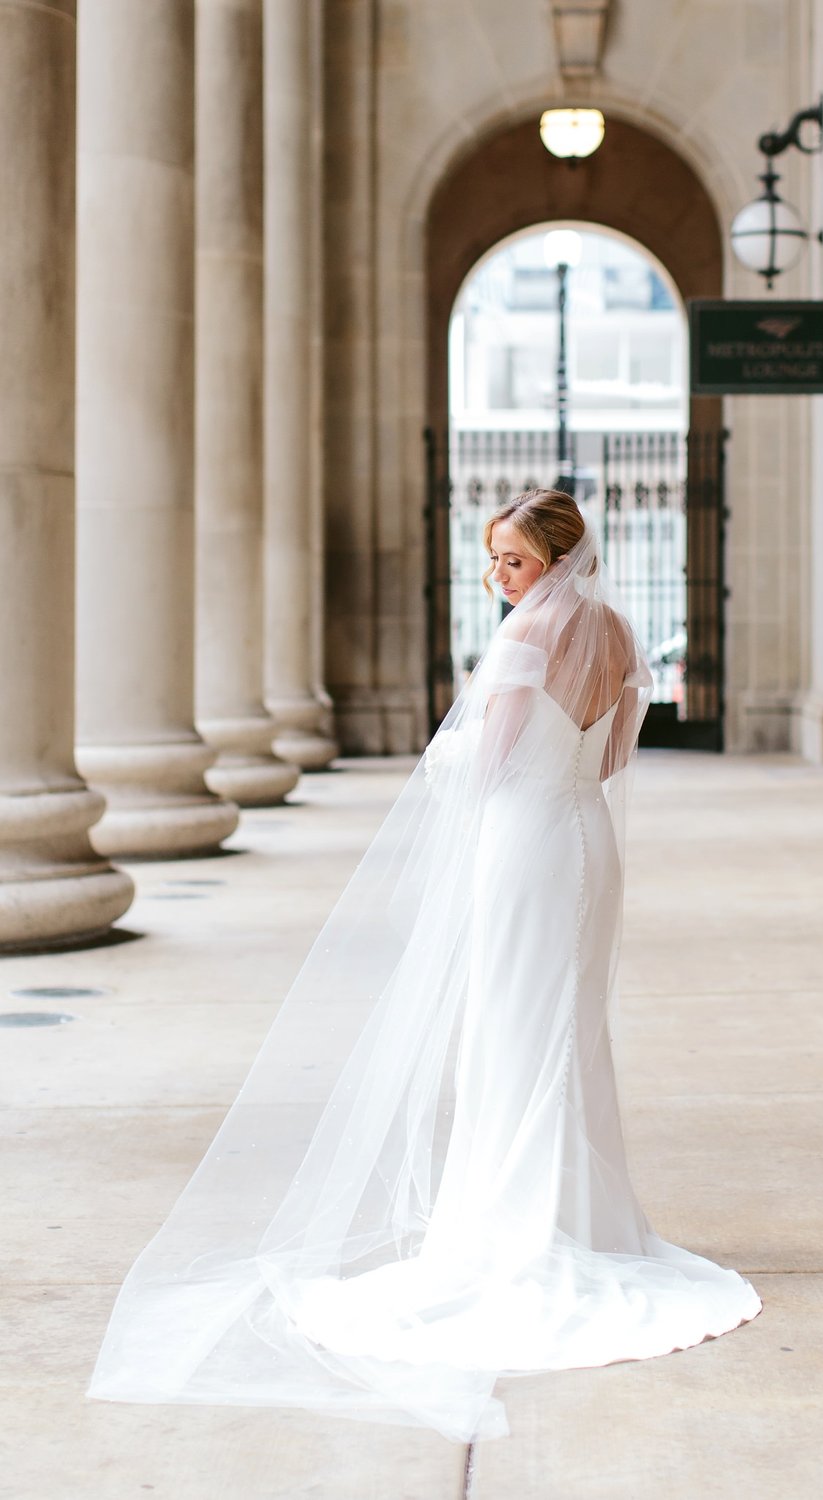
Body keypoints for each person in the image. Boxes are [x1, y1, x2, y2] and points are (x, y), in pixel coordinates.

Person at [87, 489, 761, 1443]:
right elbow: (610, 758)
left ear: (555, 560)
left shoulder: (529, 636)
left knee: (510, 1022)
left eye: (514, 561)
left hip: (523, 843)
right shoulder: (614, 632)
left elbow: (486, 764)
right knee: (565, 1024)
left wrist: (457, 769)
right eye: (495, 560)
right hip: (582, 837)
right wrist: (547, 775)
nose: (501, 577)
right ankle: (583, 1219)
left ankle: (518, 1224)